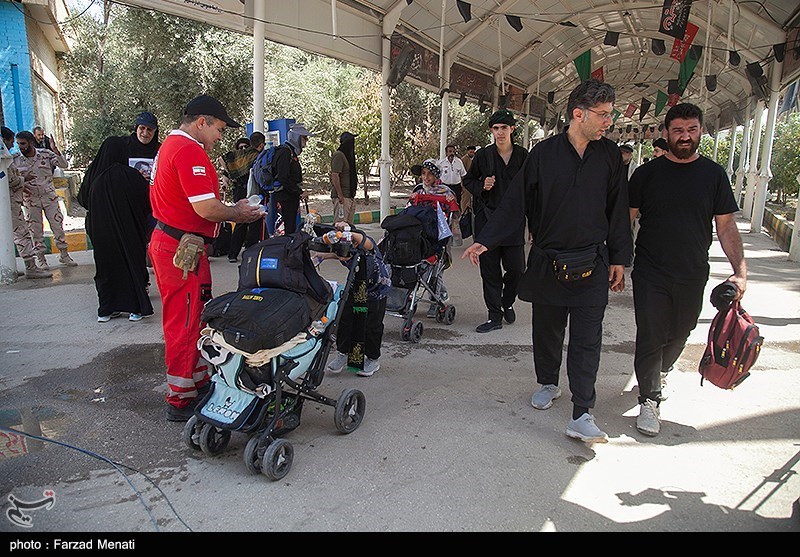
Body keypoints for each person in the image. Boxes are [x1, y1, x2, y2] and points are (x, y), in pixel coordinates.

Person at [463, 79, 632, 443]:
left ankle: (582, 412)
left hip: (592, 261)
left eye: (610, 115)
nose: (608, 122)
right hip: (548, 260)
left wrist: (620, 257)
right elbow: (516, 201)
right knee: (547, 331)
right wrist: (486, 240)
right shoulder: (544, 154)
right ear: (578, 114)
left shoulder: (610, 156)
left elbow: (618, 208)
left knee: (588, 340)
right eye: (602, 115)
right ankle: (548, 382)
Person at [628, 102, 746, 437]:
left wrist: (740, 271)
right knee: (650, 333)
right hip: (650, 270)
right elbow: (626, 219)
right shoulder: (646, 175)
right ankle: (649, 399)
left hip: (693, 271)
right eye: (678, 130)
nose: (685, 136)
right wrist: (617, 259)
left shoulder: (713, 175)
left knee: (681, 331)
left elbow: (726, 227)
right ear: (666, 133)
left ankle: (660, 371)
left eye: (691, 130)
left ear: (700, 132)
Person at [148, 94, 263, 422]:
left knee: (195, 316)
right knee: (184, 322)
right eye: (219, 130)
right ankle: (180, 399)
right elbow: (206, 208)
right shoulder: (187, 150)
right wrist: (238, 213)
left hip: (181, 245)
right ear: (202, 122)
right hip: (180, 249)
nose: (220, 137)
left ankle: (195, 382)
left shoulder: (172, 146)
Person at [462, 109, 527, 333]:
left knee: (517, 269)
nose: (500, 132)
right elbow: (468, 181)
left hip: (514, 223)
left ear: (512, 129)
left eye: (504, 128)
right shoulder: (484, 156)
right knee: (489, 272)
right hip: (488, 222)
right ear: (492, 131)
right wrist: (482, 187)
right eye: (496, 129)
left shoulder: (523, 155)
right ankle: (494, 316)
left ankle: (507, 301)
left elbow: (533, 187)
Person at [85, 136, 153, 322]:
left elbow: (83, 200)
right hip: (130, 231)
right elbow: (148, 203)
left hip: (101, 232)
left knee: (106, 267)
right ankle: (135, 309)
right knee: (132, 264)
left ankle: (106, 309)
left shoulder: (94, 177)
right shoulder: (131, 176)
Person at [323, 222, 392, 377]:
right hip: (357, 287)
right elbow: (338, 254)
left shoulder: (367, 246)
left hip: (377, 290)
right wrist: (323, 256)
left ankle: (373, 359)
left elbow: (363, 241)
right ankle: (344, 353)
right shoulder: (344, 250)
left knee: (371, 326)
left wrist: (347, 231)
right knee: (345, 320)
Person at [13, 130, 77, 269]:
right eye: (18, 144)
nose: (20, 147)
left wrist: (55, 150)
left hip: (49, 197)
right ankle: (41, 259)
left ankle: (64, 254)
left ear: (30, 143)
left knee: (57, 226)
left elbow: (64, 165)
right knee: (35, 230)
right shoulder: (16, 160)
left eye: (23, 143)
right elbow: (13, 180)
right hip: (31, 200)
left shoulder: (45, 154)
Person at [408, 159, 460, 317]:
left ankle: (436, 298)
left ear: (436, 175)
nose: (425, 177)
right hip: (419, 235)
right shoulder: (419, 191)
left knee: (435, 269)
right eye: (423, 174)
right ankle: (440, 293)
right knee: (418, 267)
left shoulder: (446, 192)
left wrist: (452, 205)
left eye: (429, 174)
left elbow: (455, 214)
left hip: (438, 235)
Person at [1, 126, 52, 279]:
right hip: (9, 203)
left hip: (12, 202)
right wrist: (24, 179)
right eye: (11, 142)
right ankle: (31, 267)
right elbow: (10, 180)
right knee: (22, 233)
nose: (12, 146)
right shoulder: (6, 159)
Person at [218, 135, 259, 262]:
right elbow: (226, 174)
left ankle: (251, 251)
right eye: (240, 147)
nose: (243, 150)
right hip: (240, 192)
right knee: (241, 222)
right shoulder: (234, 163)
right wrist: (224, 184)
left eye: (246, 147)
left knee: (254, 221)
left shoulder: (253, 158)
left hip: (252, 191)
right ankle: (233, 253)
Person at [272, 123, 315, 235]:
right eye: (304, 138)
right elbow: (283, 177)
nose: (306, 141)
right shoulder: (285, 152)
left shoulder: (290, 152)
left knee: (290, 228)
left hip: (289, 197)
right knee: (286, 229)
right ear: (297, 138)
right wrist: (299, 191)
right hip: (284, 199)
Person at [330, 131, 358, 225]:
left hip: (349, 195)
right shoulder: (339, 155)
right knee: (340, 225)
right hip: (342, 197)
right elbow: (335, 175)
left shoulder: (348, 157)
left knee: (348, 227)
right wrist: (340, 194)